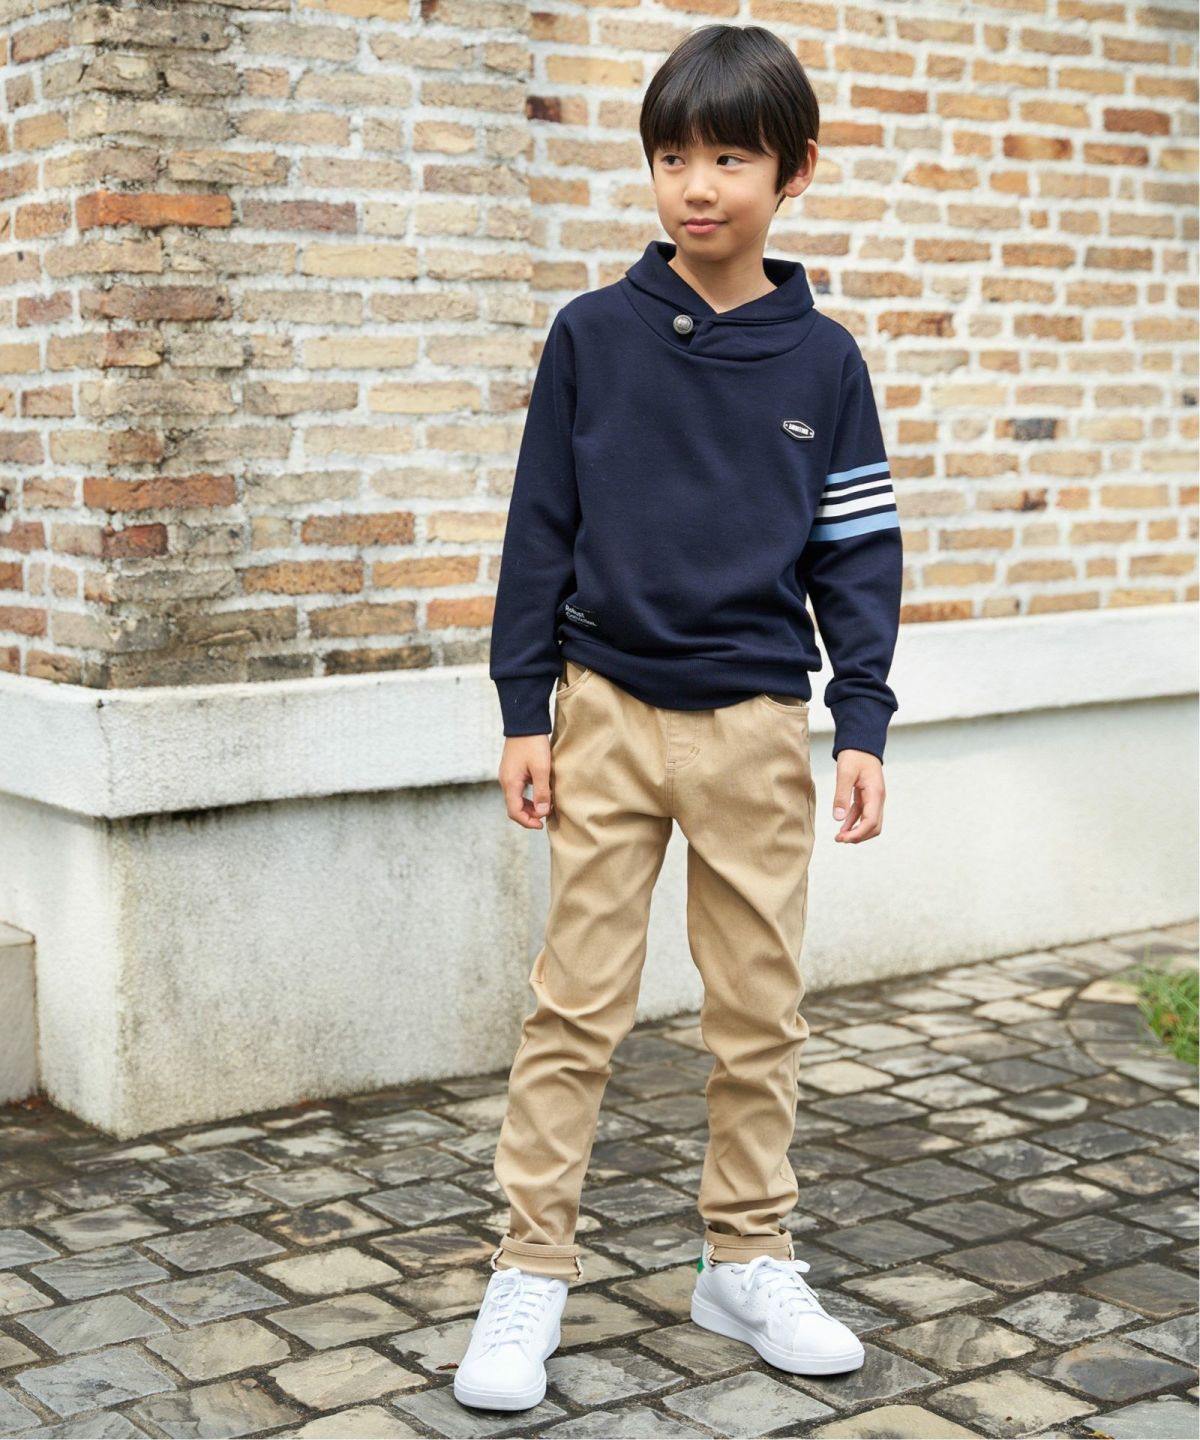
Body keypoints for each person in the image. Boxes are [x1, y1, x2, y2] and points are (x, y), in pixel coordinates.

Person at [454, 21, 902, 1414]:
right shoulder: (593, 337)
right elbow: (540, 528)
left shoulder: (825, 364)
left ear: (795, 171)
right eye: (671, 158)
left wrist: (865, 721)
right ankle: (531, 1268)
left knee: (759, 1011)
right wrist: (524, 707)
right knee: (574, 1006)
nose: (697, 186)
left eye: (729, 159)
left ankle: (746, 1257)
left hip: (758, 725)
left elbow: (857, 557)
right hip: (604, 711)